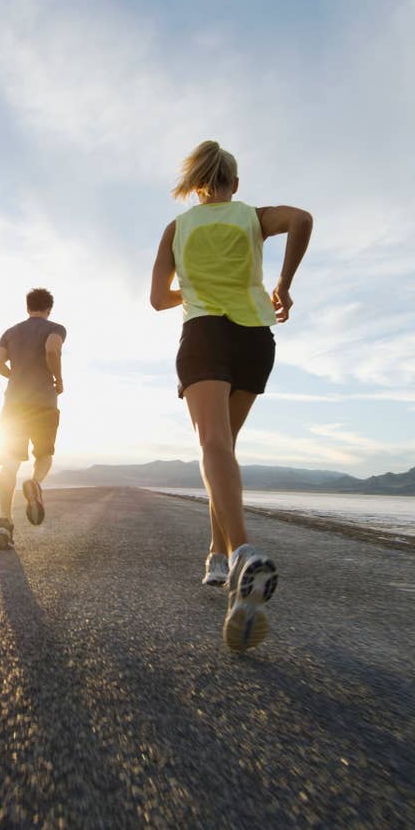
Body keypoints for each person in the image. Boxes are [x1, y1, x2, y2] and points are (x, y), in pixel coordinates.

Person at [150, 140, 313, 652]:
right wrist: (282, 283)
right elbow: (303, 219)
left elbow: (158, 299)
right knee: (224, 450)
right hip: (254, 338)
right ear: (234, 184)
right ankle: (217, 558)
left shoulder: (177, 229)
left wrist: (193, 287)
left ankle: (240, 551)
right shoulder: (253, 216)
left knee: (213, 446)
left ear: (197, 186)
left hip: (205, 335)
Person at [0, 288, 66, 550]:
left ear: (27, 307)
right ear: (49, 309)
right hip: (44, 403)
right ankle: (35, 483)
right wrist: (58, 379)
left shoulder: (11, 332)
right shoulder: (55, 328)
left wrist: (14, 375)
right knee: (44, 454)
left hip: (14, 404)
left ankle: (3, 522)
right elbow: (52, 351)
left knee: (9, 463)